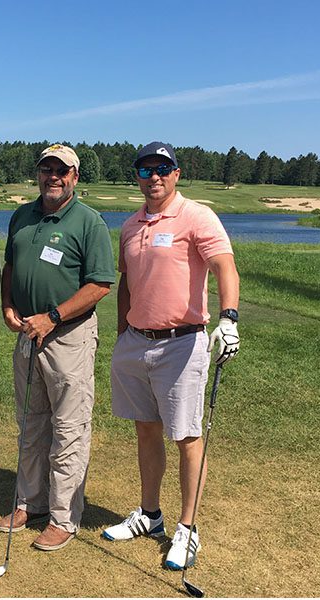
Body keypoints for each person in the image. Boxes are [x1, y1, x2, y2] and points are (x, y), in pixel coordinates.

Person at [100, 141, 240, 570]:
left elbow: (224, 267)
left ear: (176, 173)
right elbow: (126, 283)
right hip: (136, 342)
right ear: (137, 177)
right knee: (146, 430)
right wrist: (124, 331)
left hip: (182, 342)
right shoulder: (130, 225)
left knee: (186, 436)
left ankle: (188, 528)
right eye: (145, 170)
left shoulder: (197, 215)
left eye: (163, 168)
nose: (154, 177)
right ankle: (150, 515)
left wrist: (229, 317)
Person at [0, 144, 116, 551]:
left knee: (68, 428)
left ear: (74, 177)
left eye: (61, 171)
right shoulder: (22, 216)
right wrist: (8, 305)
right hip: (28, 333)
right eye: (46, 169)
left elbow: (100, 284)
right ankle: (30, 502)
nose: (53, 177)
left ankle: (64, 517)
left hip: (68, 336)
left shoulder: (89, 222)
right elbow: (11, 267)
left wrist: (53, 317)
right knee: (31, 423)